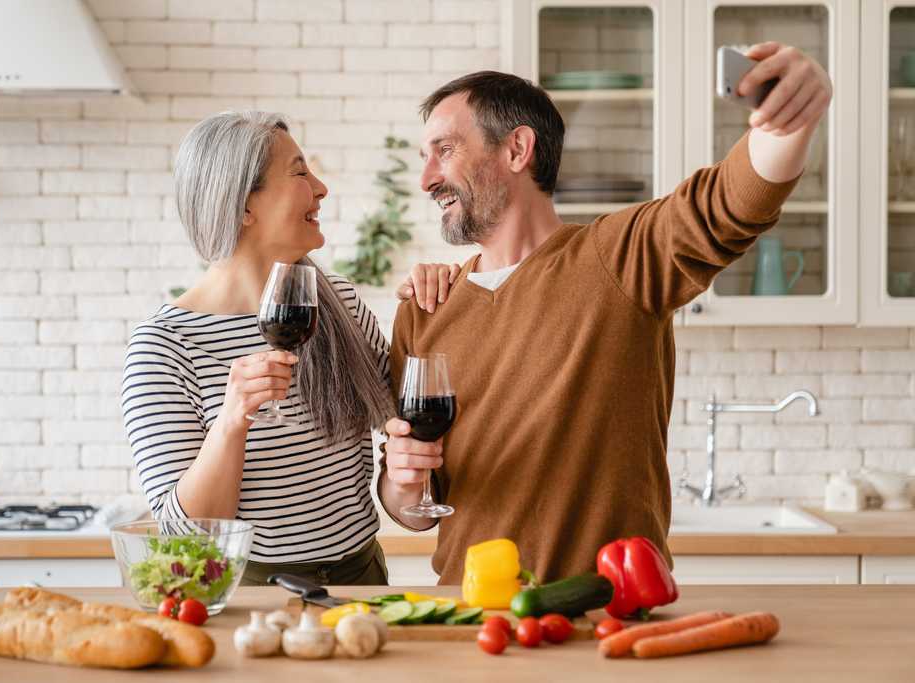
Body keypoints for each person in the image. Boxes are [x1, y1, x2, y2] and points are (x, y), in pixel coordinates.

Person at [380, 43, 833, 583]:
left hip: (611, 616)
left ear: (517, 149)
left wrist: (788, 120)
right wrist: (404, 484)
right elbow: (411, 510)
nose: (427, 178)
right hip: (472, 619)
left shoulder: (618, 258)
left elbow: (728, 206)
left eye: (445, 150)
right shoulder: (426, 307)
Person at [121, 111, 454, 586]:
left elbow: (407, 442)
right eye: (299, 172)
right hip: (245, 592)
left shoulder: (336, 302)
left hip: (360, 579)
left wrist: (431, 307)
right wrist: (233, 418)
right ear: (242, 206)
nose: (321, 188)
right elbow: (187, 534)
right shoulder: (164, 348)